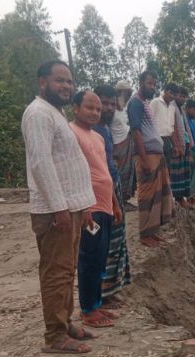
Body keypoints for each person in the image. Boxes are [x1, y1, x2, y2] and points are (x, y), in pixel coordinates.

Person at [21, 60, 96, 354]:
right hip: (55, 211)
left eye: (69, 81)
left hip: (68, 207)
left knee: (66, 270)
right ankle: (54, 336)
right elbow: (41, 163)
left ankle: (65, 324)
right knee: (56, 272)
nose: (66, 86)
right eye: (60, 80)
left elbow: (66, 163)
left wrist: (82, 206)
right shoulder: (38, 114)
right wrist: (59, 208)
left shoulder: (55, 113)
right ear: (43, 82)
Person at [70, 90, 122, 329]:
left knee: (101, 258)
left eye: (98, 109)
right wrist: (83, 207)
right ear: (75, 108)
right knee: (89, 258)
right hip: (89, 207)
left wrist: (115, 204)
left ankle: (96, 303)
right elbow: (72, 173)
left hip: (105, 206)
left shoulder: (98, 137)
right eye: (89, 107)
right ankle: (88, 310)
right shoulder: (71, 133)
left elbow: (104, 172)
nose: (94, 112)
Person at [93, 84, 131, 308]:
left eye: (111, 104)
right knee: (103, 243)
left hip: (112, 186)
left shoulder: (105, 129)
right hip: (99, 194)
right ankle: (101, 293)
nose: (108, 108)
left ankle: (111, 289)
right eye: (103, 103)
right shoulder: (91, 131)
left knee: (117, 239)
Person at [130, 70, 174, 247]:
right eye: (149, 83)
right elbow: (136, 131)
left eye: (154, 84)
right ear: (140, 82)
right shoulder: (135, 103)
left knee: (157, 195)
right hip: (147, 155)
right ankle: (144, 234)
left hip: (156, 154)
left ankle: (152, 231)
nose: (152, 87)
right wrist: (144, 158)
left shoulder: (145, 103)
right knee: (147, 195)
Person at [112, 80, 136, 208]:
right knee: (119, 173)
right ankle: (117, 200)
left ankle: (125, 200)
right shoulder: (111, 109)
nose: (127, 96)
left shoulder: (125, 109)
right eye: (126, 93)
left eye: (129, 94)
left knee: (128, 173)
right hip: (117, 146)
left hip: (128, 144)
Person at [168, 86, 191, 204]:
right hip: (176, 145)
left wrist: (189, 143)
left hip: (184, 143)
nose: (182, 98)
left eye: (184, 97)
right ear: (176, 95)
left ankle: (183, 197)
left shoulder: (181, 109)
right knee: (177, 172)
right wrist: (175, 145)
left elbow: (185, 128)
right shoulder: (172, 107)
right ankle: (178, 198)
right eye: (180, 96)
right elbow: (171, 128)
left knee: (184, 171)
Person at [150, 83, 177, 167]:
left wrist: (174, 145)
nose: (172, 96)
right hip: (155, 140)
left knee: (166, 168)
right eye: (171, 93)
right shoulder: (155, 102)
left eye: (174, 95)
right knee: (155, 168)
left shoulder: (172, 108)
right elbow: (149, 122)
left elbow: (171, 128)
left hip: (167, 141)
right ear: (165, 91)